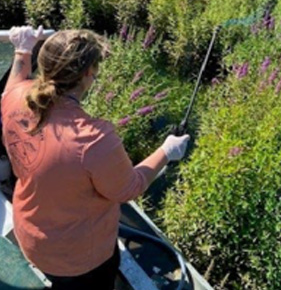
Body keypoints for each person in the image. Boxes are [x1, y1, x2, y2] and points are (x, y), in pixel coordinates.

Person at [0, 26, 190, 289]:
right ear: (89, 73)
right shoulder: (94, 138)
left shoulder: (15, 97)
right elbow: (130, 188)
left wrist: (23, 49)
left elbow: (15, 82)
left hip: (30, 236)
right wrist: (167, 152)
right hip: (77, 261)